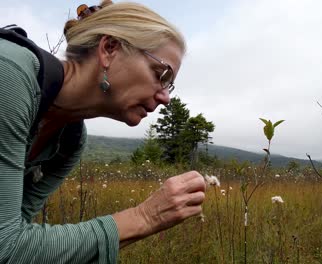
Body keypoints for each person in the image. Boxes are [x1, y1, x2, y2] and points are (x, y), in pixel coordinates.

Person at [0, 1, 206, 263]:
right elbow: (6, 248)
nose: (166, 97)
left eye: (170, 85)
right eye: (161, 74)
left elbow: (21, 237)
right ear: (109, 49)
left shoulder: (69, 142)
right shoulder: (10, 74)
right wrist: (144, 217)